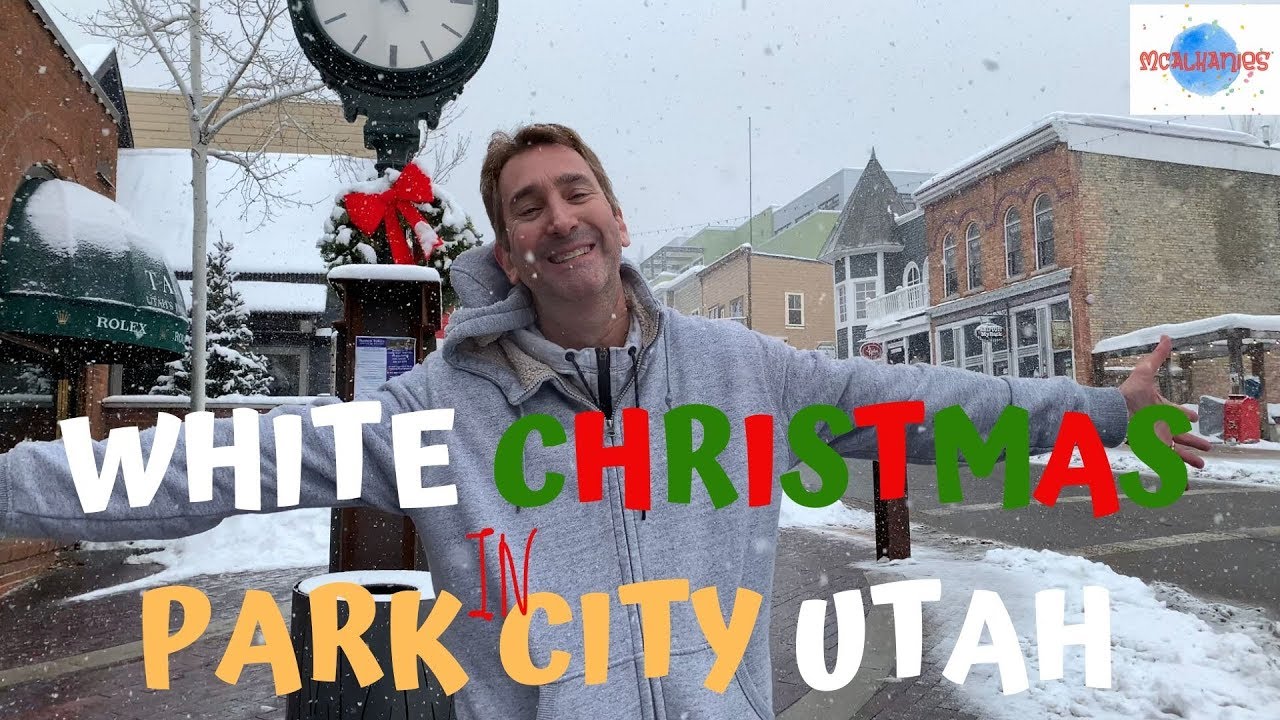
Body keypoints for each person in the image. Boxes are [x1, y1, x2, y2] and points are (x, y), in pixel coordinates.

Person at [0, 123, 1208, 719]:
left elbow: (929, 407)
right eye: (527, 206)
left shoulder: (740, 373)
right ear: (506, 252)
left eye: (575, 191)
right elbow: (219, 463)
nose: (558, 216)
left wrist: (1104, 412)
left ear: (616, 220)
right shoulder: (435, 414)